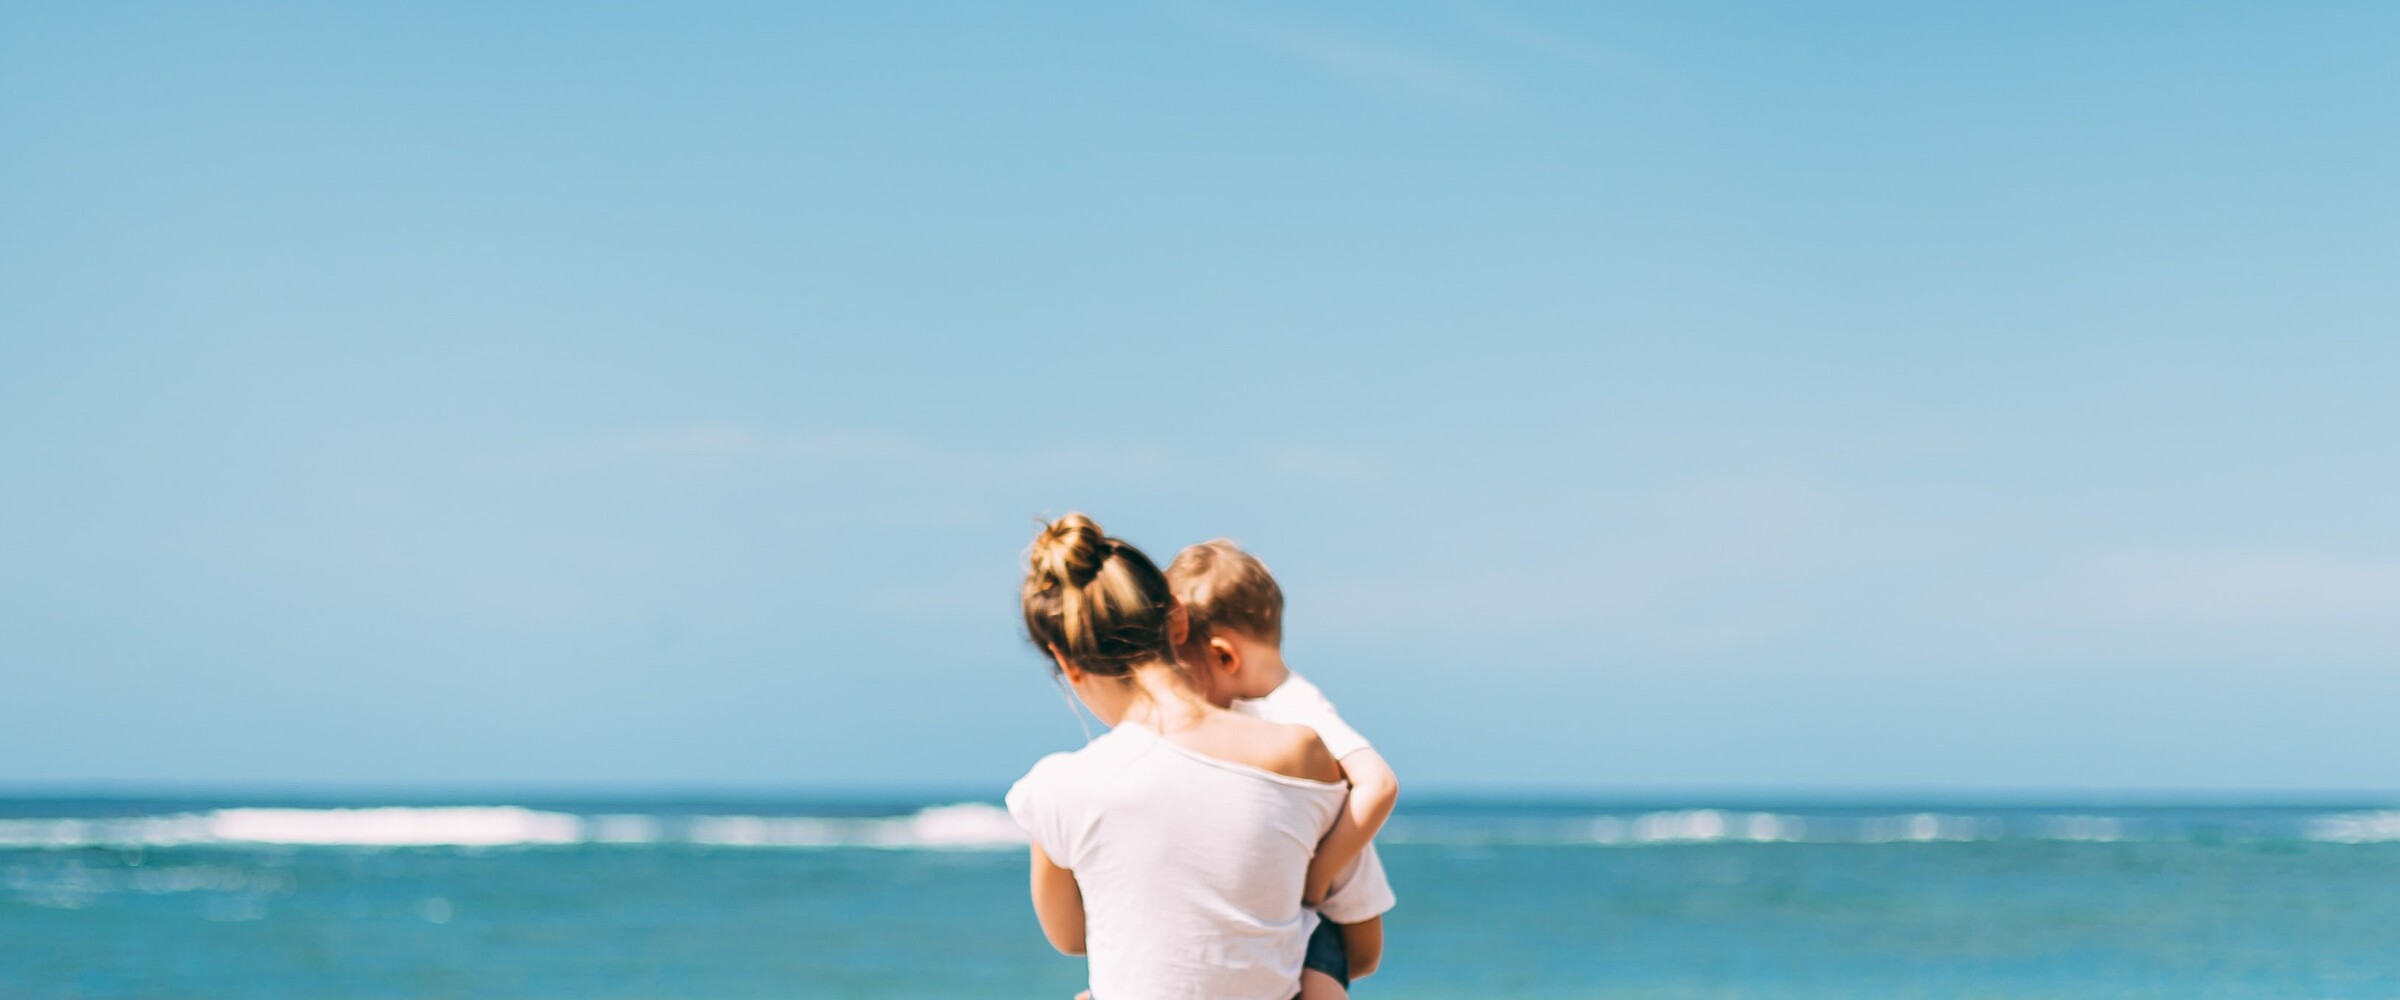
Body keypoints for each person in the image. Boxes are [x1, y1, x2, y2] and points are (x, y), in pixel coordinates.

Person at [1006, 514, 1350, 1000]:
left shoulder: (1058, 788)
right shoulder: (1300, 752)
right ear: (1178, 618)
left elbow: (1069, 937)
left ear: (1066, 662)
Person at [1168, 540, 1399, 993]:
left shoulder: (1296, 708)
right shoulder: (1253, 707)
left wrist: (1317, 877)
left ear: (1222, 656)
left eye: (1181, 670)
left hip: (1329, 914)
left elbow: (1379, 784)